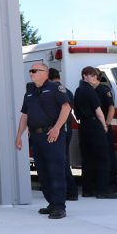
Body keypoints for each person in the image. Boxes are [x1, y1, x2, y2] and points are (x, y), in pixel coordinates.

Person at [15, 62, 72, 219]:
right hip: (36, 137)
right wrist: (19, 135)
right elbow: (25, 115)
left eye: (34, 70)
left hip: (52, 135)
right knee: (43, 172)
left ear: (45, 73)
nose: (31, 73)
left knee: (56, 171)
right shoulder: (30, 92)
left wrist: (57, 128)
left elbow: (66, 108)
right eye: (30, 71)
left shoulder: (55, 88)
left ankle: (59, 207)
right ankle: (52, 203)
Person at [73, 66, 117, 199]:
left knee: (87, 159)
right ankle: (103, 190)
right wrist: (104, 125)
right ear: (85, 76)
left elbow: (75, 111)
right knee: (103, 157)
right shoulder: (90, 91)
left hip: (84, 126)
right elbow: (98, 111)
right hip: (94, 125)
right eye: (91, 75)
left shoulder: (78, 90)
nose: (94, 77)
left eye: (94, 75)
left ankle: (88, 189)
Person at [48, 68, 78, 201]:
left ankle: (70, 191)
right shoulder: (67, 91)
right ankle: (70, 191)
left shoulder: (54, 90)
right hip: (67, 128)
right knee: (64, 160)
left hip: (60, 129)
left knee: (61, 161)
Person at [96, 78, 117, 191]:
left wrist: (106, 124)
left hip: (104, 126)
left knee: (109, 156)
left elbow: (111, 108)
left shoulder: (104, 89)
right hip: (98, 126)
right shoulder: (91, 90)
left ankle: (113, 183)